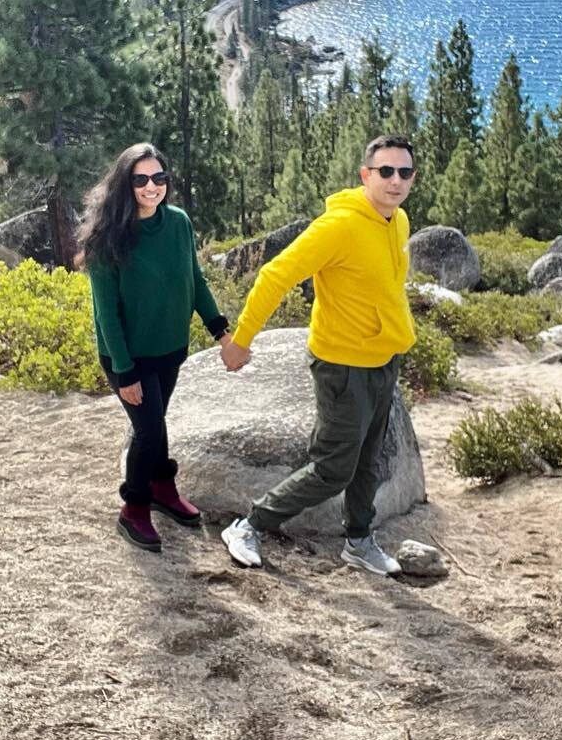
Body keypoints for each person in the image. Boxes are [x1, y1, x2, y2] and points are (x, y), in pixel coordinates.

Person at [218, 135, 418, 574]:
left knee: (370, 460)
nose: (395, 180)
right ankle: (248, 524)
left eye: (404, 172)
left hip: (384, 361)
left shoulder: (398, 221)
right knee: (333, 469)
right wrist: (242, 340)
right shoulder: (339, 226)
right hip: (343, 367)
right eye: (385, 171)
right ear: (366, 175)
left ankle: (359, 542)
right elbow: (275, 275)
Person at [79, 142, 235, 552]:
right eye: (141, 180)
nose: (152, 187)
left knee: (156, 423)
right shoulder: (107, 238)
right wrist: (125, 371)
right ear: (124, 185)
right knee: (148, 431)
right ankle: (133, 509)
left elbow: (195, 280)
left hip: (169, 349)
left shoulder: (179, 223)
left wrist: (221, 330)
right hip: (127, 356)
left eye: (159, 178)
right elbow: (106, 314)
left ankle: (163, 488)